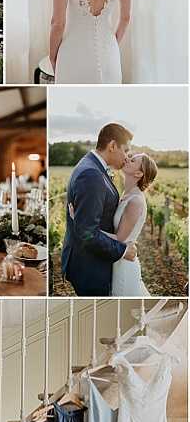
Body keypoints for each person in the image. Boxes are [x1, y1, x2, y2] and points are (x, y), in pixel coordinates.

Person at [61, 122, 138, 296]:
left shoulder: (92, 166)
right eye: (125, 150)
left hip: (90, 261)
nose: (127, 157)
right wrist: (123, 250)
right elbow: (87, 234)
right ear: (112, 146)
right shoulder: (91, 175)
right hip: (90, 267)